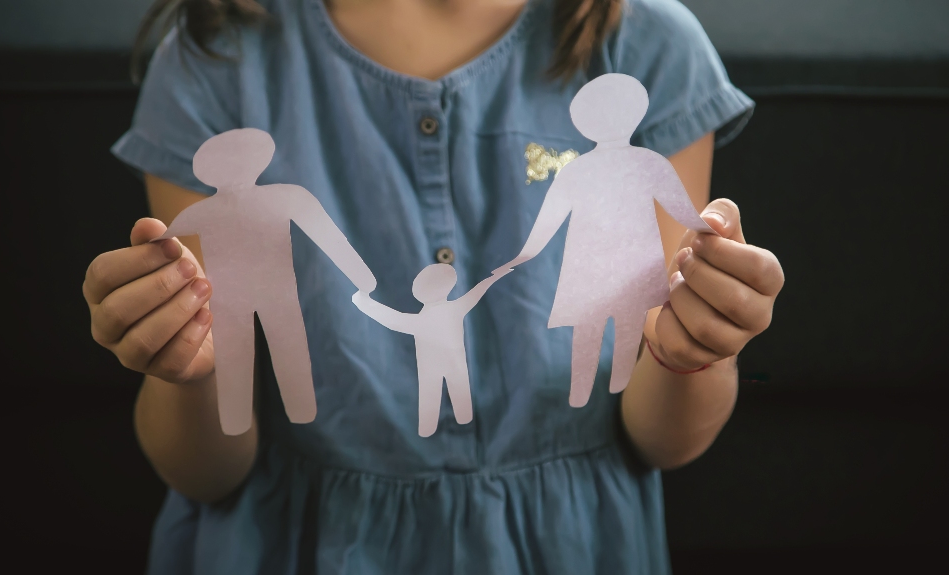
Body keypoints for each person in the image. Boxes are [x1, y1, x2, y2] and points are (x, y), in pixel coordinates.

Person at [82, 0, 784, 573]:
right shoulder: (214, 56)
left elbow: (665, 437)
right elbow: (204, 468)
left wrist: (697, 343)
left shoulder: (651, 45)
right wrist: (184, 367)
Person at [496, 73, 716, 406]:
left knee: (604, 330)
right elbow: (683, 210)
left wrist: (712, 232)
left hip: (611, 266)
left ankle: (583, 394)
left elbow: (683, 211)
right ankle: (587, 393)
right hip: (608, 265)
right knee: (615, 330)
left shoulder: (583, 169)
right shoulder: (639, 163)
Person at [160, 128, 376, 434]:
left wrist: (362, 276)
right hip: (255, 297)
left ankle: (250, 419)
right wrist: (363, 278)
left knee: (261, 354)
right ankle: (275, 415)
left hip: (256, 297)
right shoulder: (282, 197)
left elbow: (327, 235)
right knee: (268, 352)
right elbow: (328, 235)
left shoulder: (203, 212)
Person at [352, 264, 511, 437]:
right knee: (459, 391)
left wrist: (364, 303)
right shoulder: (455, 308)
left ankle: (428, 429)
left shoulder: (421, 319)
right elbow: (477, 292)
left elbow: (392, 319)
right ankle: (464, 420)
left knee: (430, 396)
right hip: (454, 362)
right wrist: (494, 277)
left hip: (430, 367)